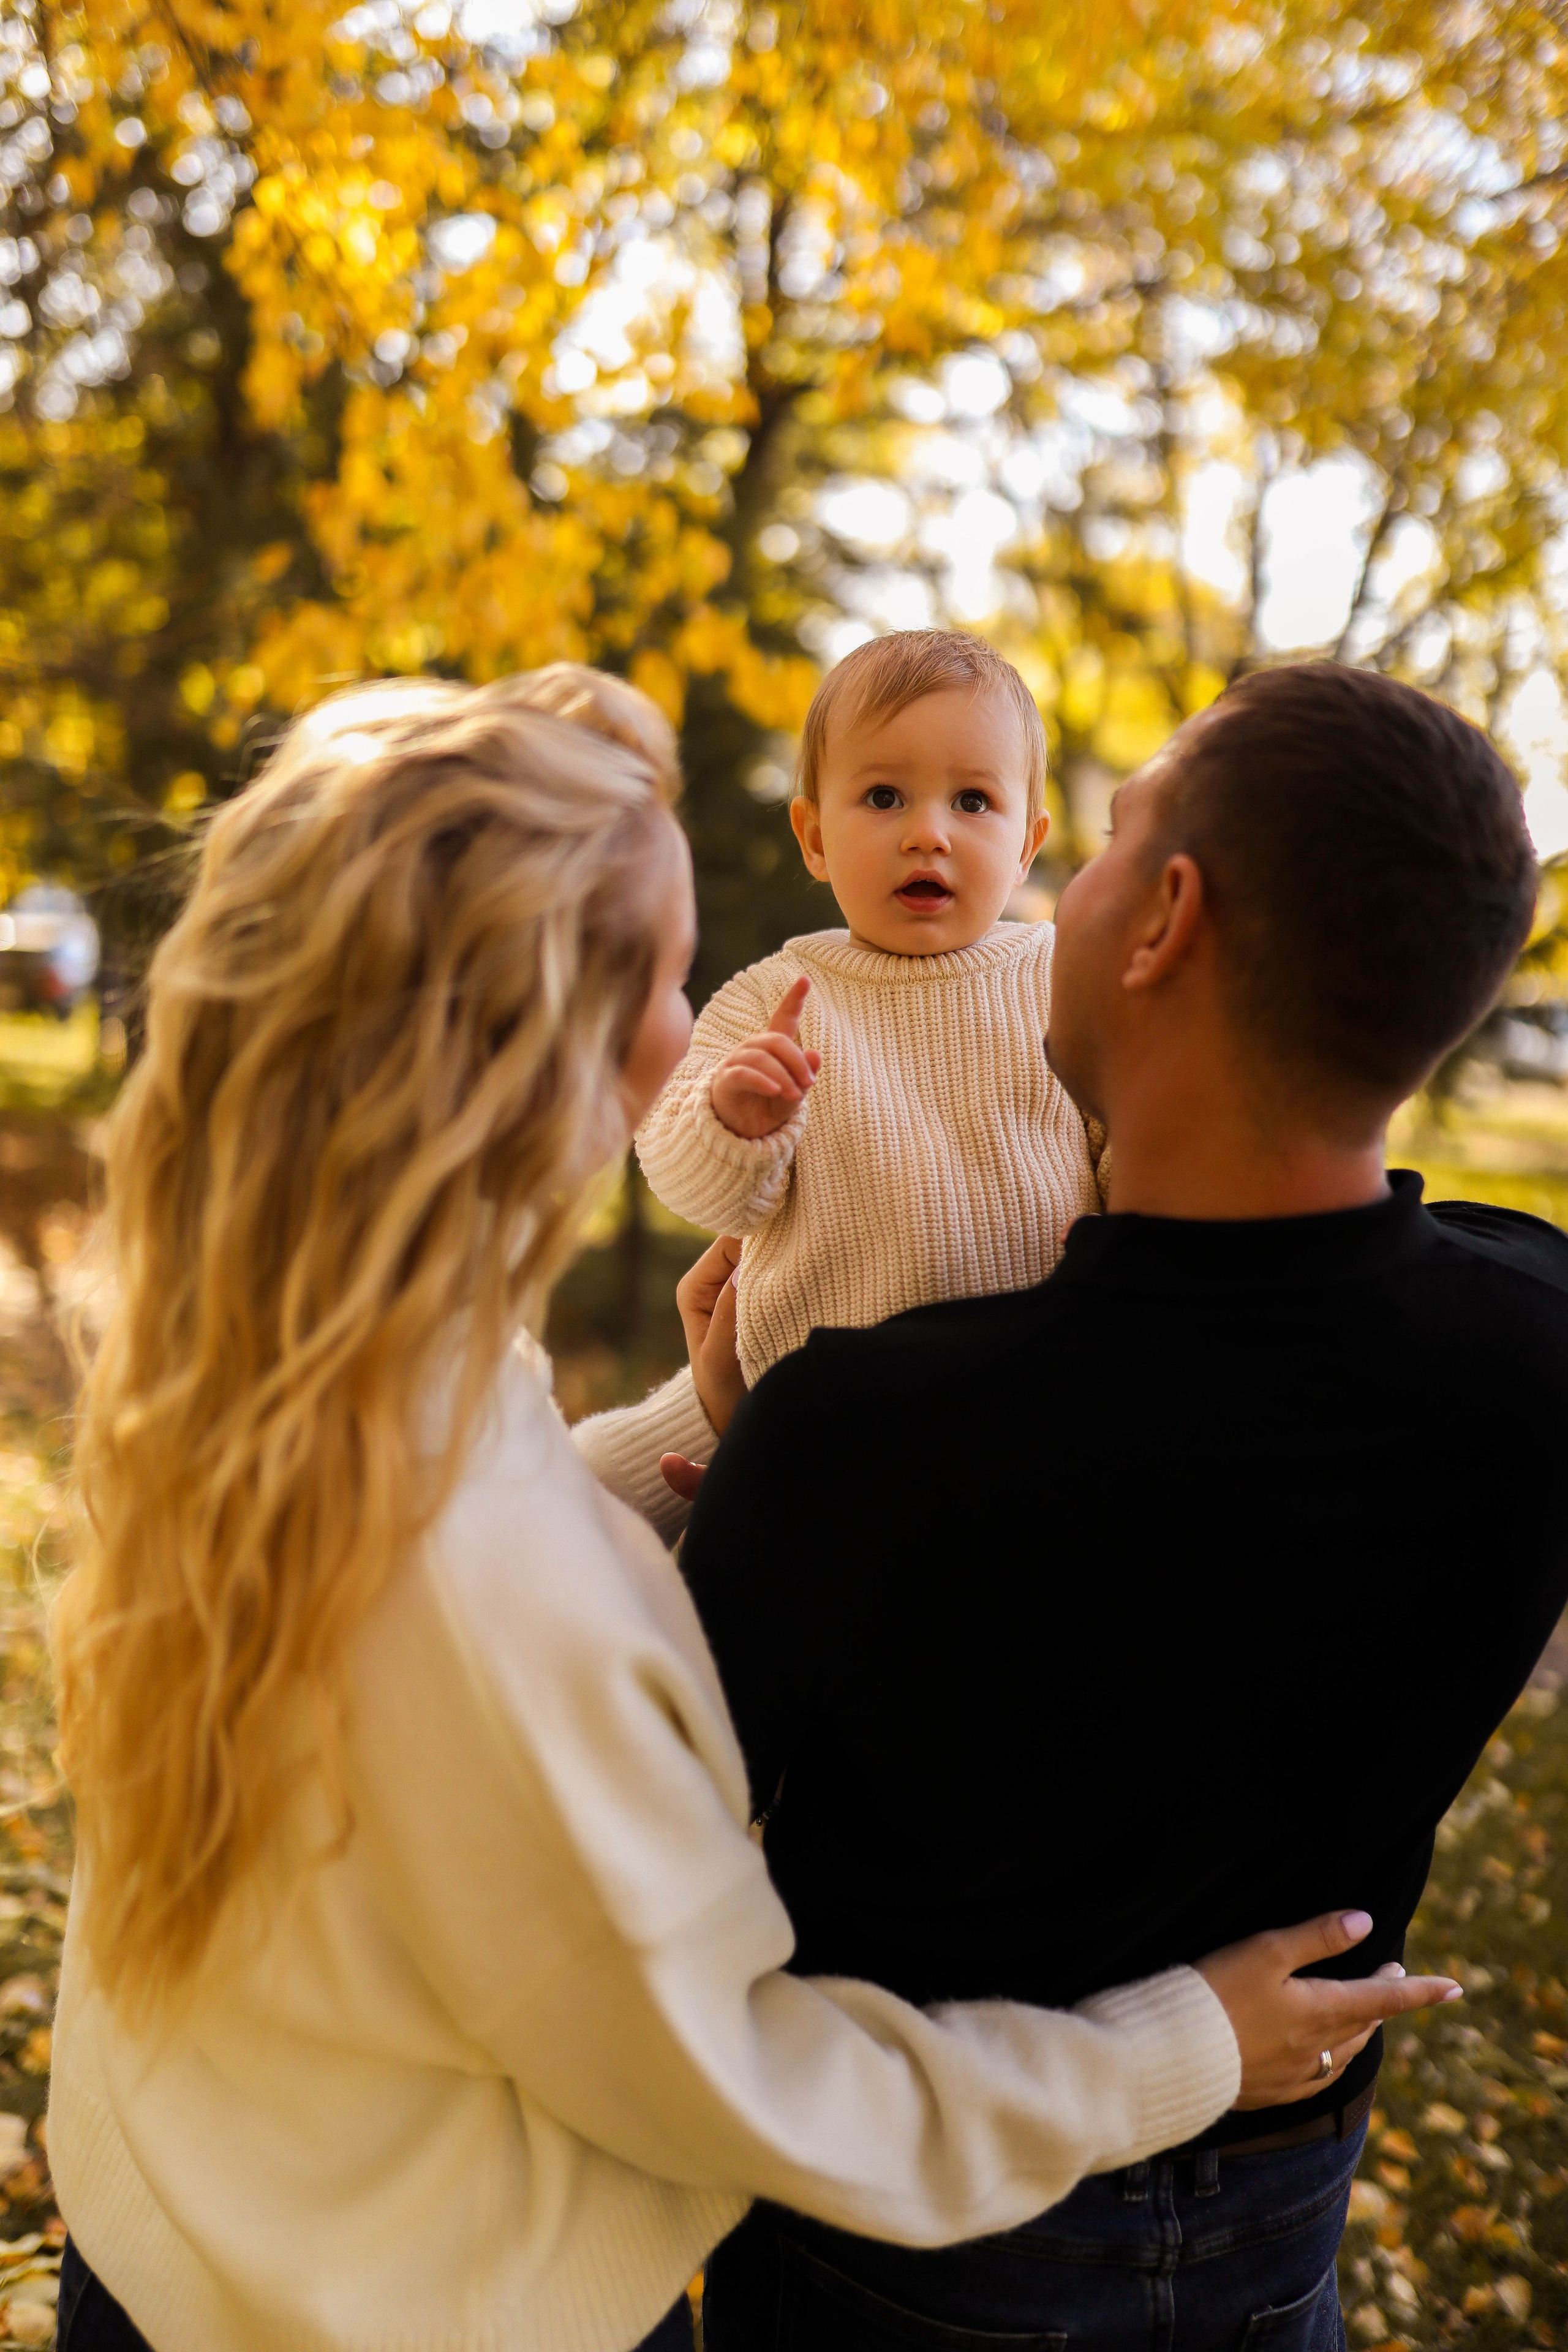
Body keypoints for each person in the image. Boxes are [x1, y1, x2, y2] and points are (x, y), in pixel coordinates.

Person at [43, 674, 1444, 2352]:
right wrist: (1185, 2048)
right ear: (546, 1033)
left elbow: (430, 1553)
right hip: (397, 2311)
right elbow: (751, 2082)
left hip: (168, 2228)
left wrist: (693, 1420)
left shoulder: (276, 1365)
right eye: (660, 979)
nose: (679, 1031)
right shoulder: (520, 1621)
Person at [669, 662, 1567, 2350]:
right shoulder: (1536, 1345)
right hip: (1287, 2218)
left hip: (911, 2243)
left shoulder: (863, 1430)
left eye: (1104, 844)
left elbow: (665, 1906)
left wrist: (742, 1432)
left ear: (1163, 921)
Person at [635, 629, 1109, 1390]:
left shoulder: (1065, 977)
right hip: (827, 1418)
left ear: (1028, 843)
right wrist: (732, 1124)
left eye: (973, 801)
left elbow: (1139, 1148)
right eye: (884, 797)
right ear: (815, 838)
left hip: (1046, 1396)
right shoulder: (774, 1001)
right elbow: (687, 1181)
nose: (928, 834)